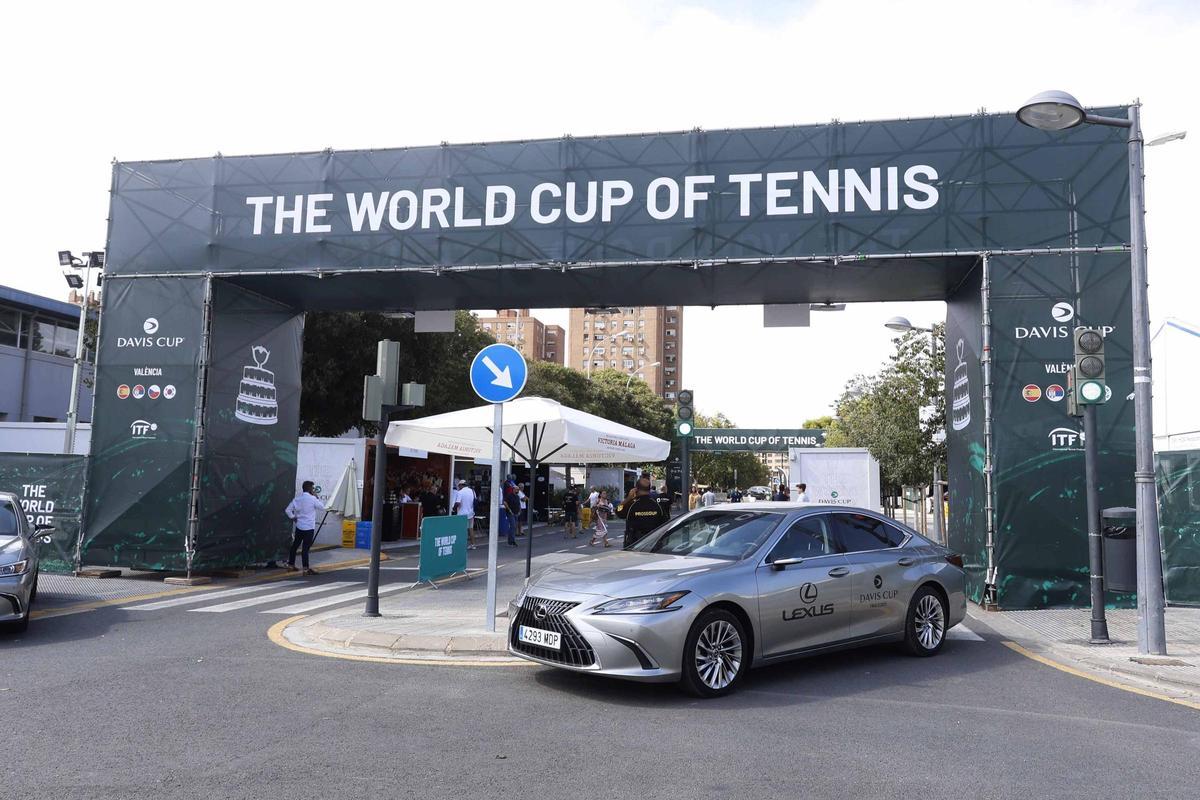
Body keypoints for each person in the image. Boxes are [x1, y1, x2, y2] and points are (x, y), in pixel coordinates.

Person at [284, 480, 325, 575]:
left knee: (294, 546)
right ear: (310, 489)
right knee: (305, 548)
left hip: (299, 526)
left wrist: (293, 517)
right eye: (313, 488)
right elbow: (322, 507)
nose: (314, 490)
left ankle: (291, 565)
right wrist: (316, 497)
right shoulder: (313, 499)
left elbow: (287, 510)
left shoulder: (297, 499)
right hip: (309, 527)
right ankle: (306, 569)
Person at [619, 478, 668, 548]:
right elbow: (665, 523)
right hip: (654, 544)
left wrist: (628, 498)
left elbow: (618, 511)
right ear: (649, 489)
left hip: (634, 544)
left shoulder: (631, 504)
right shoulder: (657, 504)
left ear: (636, 489)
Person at [452, 479, 478, 549]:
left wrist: (453, 509)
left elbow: (458, 503)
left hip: (462, 514)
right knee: (471, 529)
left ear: (461, 485)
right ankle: (473, 545)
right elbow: (475, 501)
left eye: (459, 486)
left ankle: (461, 545)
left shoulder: (460, 492)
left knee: (462, 530)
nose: (458, 487)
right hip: (471, 513)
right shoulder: (472, 491)